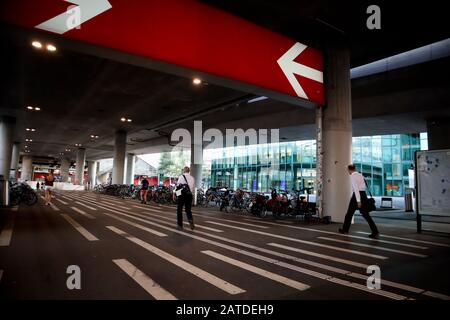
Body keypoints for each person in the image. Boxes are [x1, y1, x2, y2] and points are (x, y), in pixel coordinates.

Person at [339, 164, 379, 239]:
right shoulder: (360, 175)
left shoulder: (353, 176)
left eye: (347, 170)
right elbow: (363, 187)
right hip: (364, 195)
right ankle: (375, 231)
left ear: (349, 170)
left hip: (357, 196)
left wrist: (358, 201)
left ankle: (345, 230)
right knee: (366, 215)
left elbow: (356, 189)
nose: (347, 171)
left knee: (349, 214)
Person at [175, 166, 195, 231]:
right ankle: (190, 220)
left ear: (184, 171)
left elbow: (178, 187)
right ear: (189, 171)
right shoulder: (192, 178)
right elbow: (192, 188)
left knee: (179, 209)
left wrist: (177, 195)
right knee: (188, 210)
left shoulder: (181, 177)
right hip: (189, 195)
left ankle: (180, 225)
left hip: (182, 195)